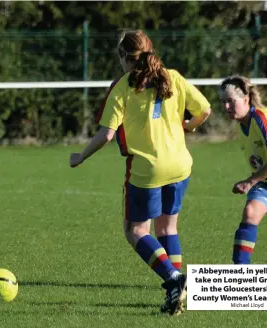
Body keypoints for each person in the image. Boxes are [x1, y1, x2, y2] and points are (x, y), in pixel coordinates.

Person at [69, 29, 211, 315]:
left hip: (147, 170)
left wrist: (81, 156)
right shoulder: (172, 76)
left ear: (124, 56)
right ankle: (180, 294)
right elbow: (205, 110)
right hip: (181, 165)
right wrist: (188, 126)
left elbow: (107, 134)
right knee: (168, 228)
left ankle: (173, 279)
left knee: (135, 231)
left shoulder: (123, 85)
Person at [219, 76, 267, 264]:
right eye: (223, 102)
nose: (226, 107)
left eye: (231, 101)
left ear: (246, 99)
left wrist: (250, 181)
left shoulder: (262, 119)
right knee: (250, 213)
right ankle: (241, 277)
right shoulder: (241, 126)